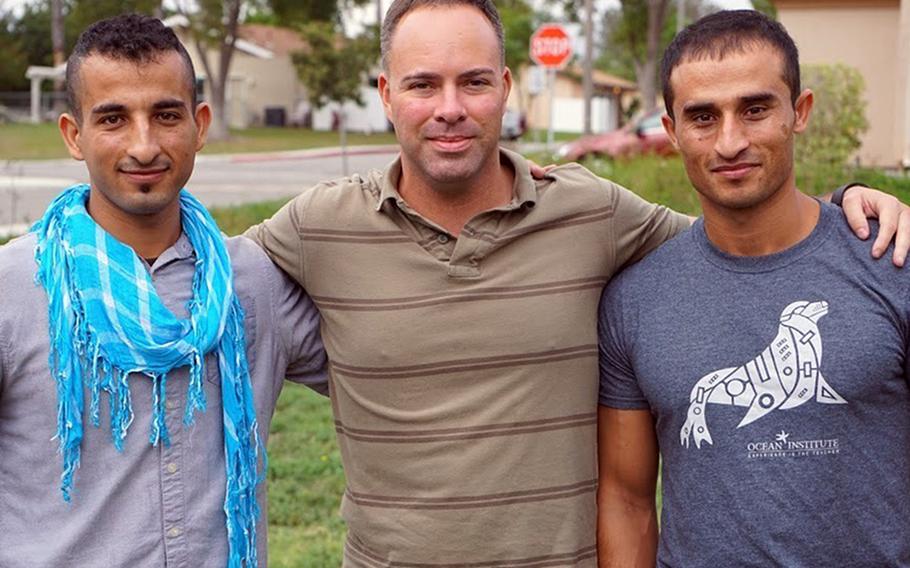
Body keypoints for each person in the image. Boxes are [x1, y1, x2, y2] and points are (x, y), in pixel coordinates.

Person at [245, 1, 910, 565]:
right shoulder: (320, 225)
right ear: (387, 94)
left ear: (506, 87)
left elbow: (741, 232)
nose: (450, 108)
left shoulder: (589, 212)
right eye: (423, 85)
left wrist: (847, 204)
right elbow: (204, 279)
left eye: (473, 82)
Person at [0, 14, 326, 568]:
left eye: (166, 115)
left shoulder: (252, 280)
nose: (144, 145)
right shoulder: (12, 289)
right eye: (113, 119)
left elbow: (384, 371)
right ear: (73, 135)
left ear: (200, 124)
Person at [597, 10, 910, 567]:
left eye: (755, 108)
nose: (730, 141)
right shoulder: (634, 300)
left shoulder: (892, 262)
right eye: (702, 117)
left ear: (800, 112)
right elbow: (627, 499)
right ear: (671, 132)